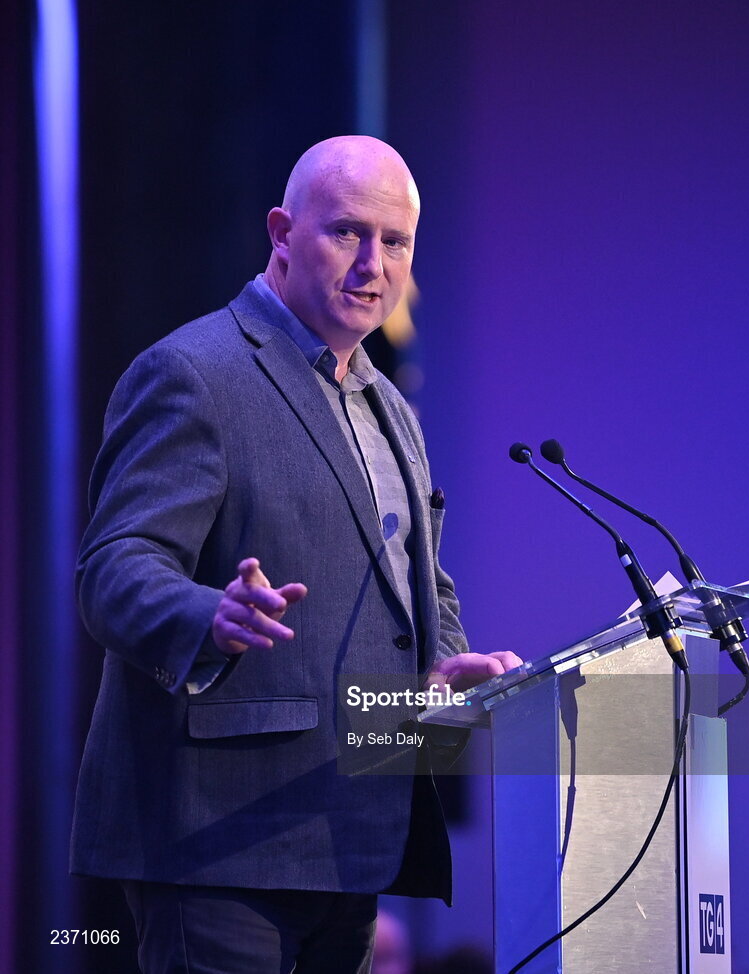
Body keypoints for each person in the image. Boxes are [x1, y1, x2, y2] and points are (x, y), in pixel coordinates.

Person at [72, 135, 520, 974]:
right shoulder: (193, 373)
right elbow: (113, 569)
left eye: (395, 243)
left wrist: (444, 660)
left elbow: (420, 574)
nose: (371, 265)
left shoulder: (387, 404)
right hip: (217, 839)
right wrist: (211, 614)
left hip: (351, 826)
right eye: (346, 233)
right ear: (281, 232)